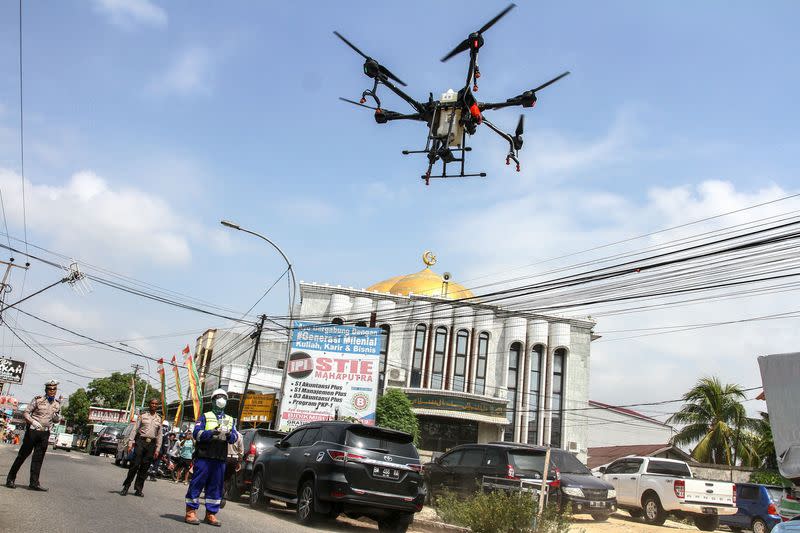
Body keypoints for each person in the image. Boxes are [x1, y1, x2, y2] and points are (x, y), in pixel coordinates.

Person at [184, 389, 238, 526]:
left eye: (224, 397)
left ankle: (211, 514)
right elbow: (197, 433)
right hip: (204, 456)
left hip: (219, 458)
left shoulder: (230, 419)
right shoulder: (205, 416)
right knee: (197, 483)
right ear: (213, 400)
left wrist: (228, 436)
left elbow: (235, 437)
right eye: (219, 397)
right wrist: (211, 433)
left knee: (216, 487)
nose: (221, 400)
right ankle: (191, 511)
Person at [5, 380, 61, 491]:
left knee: (38, 459)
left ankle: (34, 483)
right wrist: (33, 422)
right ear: (46, 390)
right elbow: (25, 412)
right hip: (33, 431)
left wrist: (57, 419)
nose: (52, 391)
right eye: (50, 389)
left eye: (54, 389)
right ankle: (10, 479)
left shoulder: (57, 404)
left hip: (45, 433)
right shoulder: (38, 400)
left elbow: (56, 418)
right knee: (22, 455)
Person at [120, 398, 162, 497]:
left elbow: (159, 435)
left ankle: (138, 489)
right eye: (152, 403)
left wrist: (157, 449)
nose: (154, 405)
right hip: (141, 442)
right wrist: (130, 443)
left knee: (145, 468)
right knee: (135, 465)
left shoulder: (159, 418)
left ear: (157, 406)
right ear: (149, 404)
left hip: (151, 444)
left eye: (156, 404)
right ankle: (126, 486)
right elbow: (135, 430)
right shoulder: (142, 416)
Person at [221, 430, 244, 507]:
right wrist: (239, 462)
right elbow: (241, 451)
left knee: (219, 477)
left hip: (223, 457)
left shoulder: (223, 432)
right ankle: (224, 495)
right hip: (234, 459)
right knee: (228, 478)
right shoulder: (239, 435)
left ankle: (220, 494)